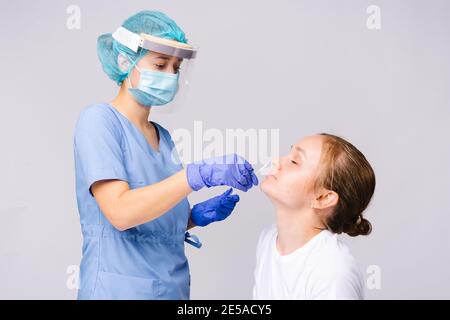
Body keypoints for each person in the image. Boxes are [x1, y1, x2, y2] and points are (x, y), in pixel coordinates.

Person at [73, 10, 258, 300]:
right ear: (125, 61)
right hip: (119, 291)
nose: (170, 75)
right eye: (160, 64)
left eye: (176, 67)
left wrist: (191, 218)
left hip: (172, 289)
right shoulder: (99, 121)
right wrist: (195, 176)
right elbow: (121, 213)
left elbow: (150, 215)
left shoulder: (164, 137)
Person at [253, 133, 375, 299]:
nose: (276, 161)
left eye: (295, 161)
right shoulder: (267, 239)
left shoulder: (332, 271)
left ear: (323, 198)